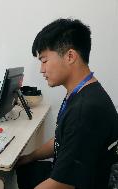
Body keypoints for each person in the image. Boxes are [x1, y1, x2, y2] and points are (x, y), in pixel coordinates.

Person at [16, 18, 118, 189]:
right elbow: (62, 140)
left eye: (44, 60)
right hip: (75, 173)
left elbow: (61, 184)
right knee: (24, 167)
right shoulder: (82, 91)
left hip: (83, 183)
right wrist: (30, 157)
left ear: (70, 56)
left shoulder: (85, 110)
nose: (42, 69)